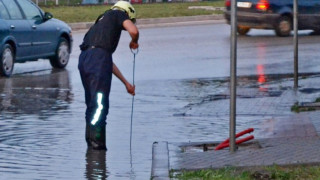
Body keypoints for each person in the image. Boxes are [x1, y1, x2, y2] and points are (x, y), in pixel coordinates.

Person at [78, 0, 139, 150]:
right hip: (97, 60)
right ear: (127, 13)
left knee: (92, 104)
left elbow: (106, 62)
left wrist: (126, 83)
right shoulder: (118, 14)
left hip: (85, 59)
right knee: (99, 104)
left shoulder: (100, 22)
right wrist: (134, 41)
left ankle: (91, 145)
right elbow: (134, 31)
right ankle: (97, 148)